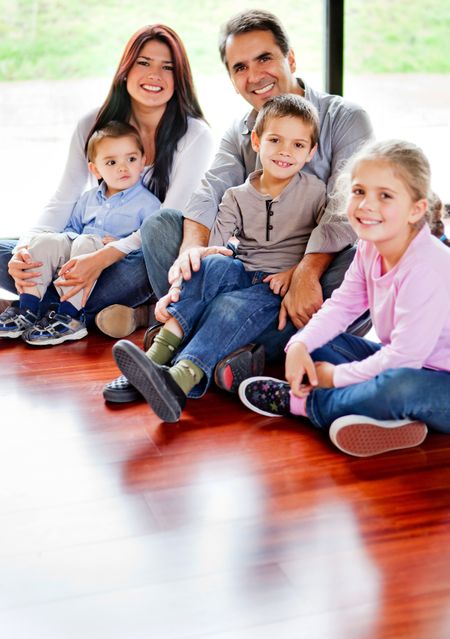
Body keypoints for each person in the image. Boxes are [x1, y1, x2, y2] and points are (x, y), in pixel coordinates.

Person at [103, 9, 373, 403]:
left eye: (264, 58)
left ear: (290, 59)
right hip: (248, 272)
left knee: (360, 258)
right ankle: (230, 353)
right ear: (232, 79)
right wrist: (190, 260)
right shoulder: (241, 130)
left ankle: (192, 340)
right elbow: (211, 192)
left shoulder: (345, 118)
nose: (255, 75)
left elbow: (343, 209)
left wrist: (303, 274)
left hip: (307, 277)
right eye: (240, 67)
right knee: (164, 227)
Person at [110, 94, 328, 421]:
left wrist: (296, 273)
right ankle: (154, 358)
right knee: (209, 263)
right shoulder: (237, 195)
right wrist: (180, 288)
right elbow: (215, 246)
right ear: (256, 141)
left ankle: (178, 380)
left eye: (298, 145)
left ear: (311, 152)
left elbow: (324, 242)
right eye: (275, 140)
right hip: (244, 271)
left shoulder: (316, 193)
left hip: (276, 289)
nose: (285, 151)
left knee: (229, 307)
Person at [238, 139, 450, 457]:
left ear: (416, 209)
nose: (366, 205)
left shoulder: (429, 266)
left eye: (385, 196)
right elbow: (342, 306)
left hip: (433, 379)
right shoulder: (369, 245)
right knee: (316, 341)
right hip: (405, 361)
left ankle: (306, 404)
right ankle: (381, 415)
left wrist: (334, 377)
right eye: (359, 191)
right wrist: (300, 345)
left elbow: (405, 359)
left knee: (401, 385)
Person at [0, 24, 214, 334]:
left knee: (144, 270)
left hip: (134, 257)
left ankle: (31, 306)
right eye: (144, 62)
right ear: (126, 69)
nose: (154, 74)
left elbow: (168, 221)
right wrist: (24, 251)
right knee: (10, 253)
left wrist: (101, 259)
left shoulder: (195, 135)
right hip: (82, 249)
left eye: (167, 68)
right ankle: (66, 308)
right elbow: (64, 198)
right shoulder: (92, 124)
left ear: (178, 79)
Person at [0, 122, 160, 345]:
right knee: (44, 241)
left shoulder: (148, 204)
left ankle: (69, 316)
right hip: (72, 263)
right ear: (95, 169)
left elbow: (149, 245)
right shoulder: (88, 199)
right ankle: (27, 309)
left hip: (108, 268)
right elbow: (71, 230)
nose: (123, 168)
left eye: (131, 159)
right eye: (112, 162)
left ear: (143, 161)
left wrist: (118, 244)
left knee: (87, 242)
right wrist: (44, 250)